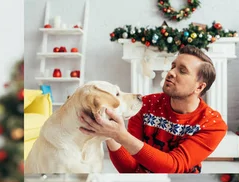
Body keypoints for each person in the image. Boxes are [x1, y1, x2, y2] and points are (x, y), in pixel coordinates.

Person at [79, 46, 228, 173]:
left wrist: (120, 135)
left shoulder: (212, 124)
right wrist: (110, 135)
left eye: (182, 71)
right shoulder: (145, 104)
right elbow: (130, 170)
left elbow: (174, 166)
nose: (171, 72)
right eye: (173, 66)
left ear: (200, 87)